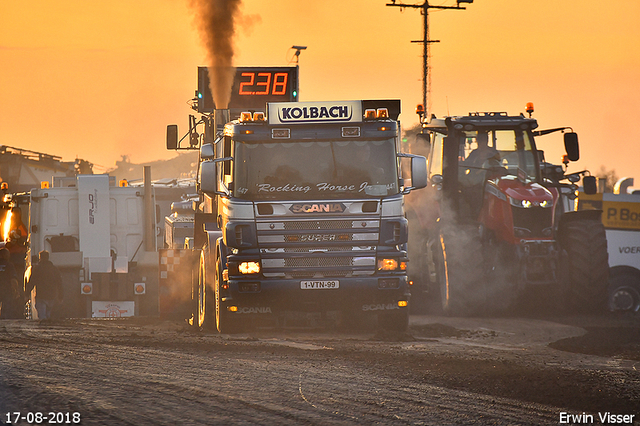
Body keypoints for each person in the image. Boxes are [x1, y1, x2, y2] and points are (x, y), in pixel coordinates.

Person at [25, 250, 63, 320]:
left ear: (40, 258)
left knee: (42, 316)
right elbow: (59, 283)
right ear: (48, 257)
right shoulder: (54, 269)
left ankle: (44, 328)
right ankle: (48, 327)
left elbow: (32, 282)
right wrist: (60, 296)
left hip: (41, 296)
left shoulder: (37, 269)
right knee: (48, 314)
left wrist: (27, 294)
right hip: (52, 296)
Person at [0, 247, 18, 319]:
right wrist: (15, 290)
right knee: (7, 309)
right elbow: (13, 279)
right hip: (6, 290)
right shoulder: (9, 265)